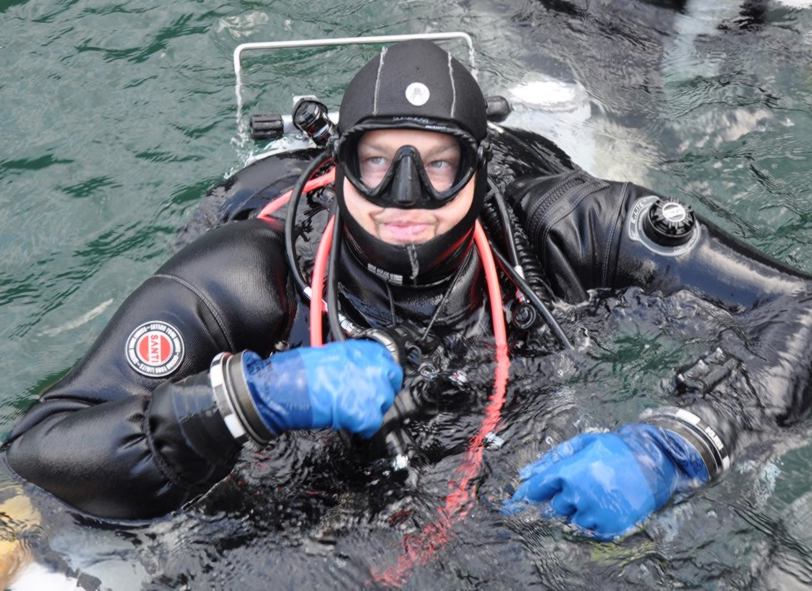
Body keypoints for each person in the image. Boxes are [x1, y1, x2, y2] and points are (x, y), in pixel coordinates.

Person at [3, 40, 811, 544]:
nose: (405, 195)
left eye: (438, 164)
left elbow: (800, 309)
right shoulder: (247, 272)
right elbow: (42, 450)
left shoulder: (563, 226)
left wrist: (678, 443)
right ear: (339, 165)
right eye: (378, 161)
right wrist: (244, 397)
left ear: (481, 166)